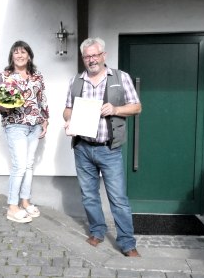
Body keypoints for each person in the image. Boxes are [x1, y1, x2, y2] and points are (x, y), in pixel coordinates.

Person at [63, 37, 142, 257]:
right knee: (89, 195)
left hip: (109, 149)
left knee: (118, 198)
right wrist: (70, 119)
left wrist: (115, 109)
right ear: (83, 58)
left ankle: (127, 243)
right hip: (83, 148)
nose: (91, 60)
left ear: (103, 56)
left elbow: (137, 107)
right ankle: (97, 231)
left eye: (95, 55)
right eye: (87, 56)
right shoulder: (75, 81)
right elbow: (67, 110)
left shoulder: (120, 77)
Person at [0, 40, 49, 223]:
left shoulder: (37, 76)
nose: (19, 55)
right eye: (16, 52)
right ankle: (12, 206)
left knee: (29, 165)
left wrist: (45, 120)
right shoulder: (5, 75)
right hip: (15, 124)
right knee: (19, 166)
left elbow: (43, 99)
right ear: (12, 56)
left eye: (23, 52)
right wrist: (4, 106)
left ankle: (25, 201)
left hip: (35, 125)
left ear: (29, 55)